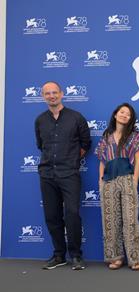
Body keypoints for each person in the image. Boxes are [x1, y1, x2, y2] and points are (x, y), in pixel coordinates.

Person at [35, 81, 91, 270]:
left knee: (72, 214)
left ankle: (76, 255)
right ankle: (59, 255)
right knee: (52, 215)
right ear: (43, 96)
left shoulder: (76, 118)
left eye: (54, 92)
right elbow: (40, 145)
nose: (51, 96)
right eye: (47, 93)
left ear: (62, 94)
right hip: (47, 174)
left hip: (69, 173)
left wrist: (70, 159)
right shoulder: (40, 120)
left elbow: (85, 144)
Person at [95, 103, 139, 271]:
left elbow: (138, 159)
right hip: (108, 180)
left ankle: (134, 258)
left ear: (131, 119)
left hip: (127, 179)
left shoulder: (134, 135)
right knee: (110, 221)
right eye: (122, 112)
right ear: (115, 114)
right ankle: (115, 257)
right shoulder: (106, 135)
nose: (124, 115)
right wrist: (101, 180)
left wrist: (135, 180)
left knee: (130, 220)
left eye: (128, 114)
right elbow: (102, 160)